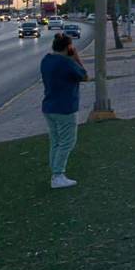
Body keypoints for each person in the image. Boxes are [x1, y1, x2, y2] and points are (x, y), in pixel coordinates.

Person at [40, 33, 88, 189]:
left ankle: (55, 172)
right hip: (65, 108)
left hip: (49, 106)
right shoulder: (66, 63)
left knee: (56, 141)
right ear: (68, 47)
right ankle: (58, 175)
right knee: (67, 142)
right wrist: (76, 57)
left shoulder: (46, 60)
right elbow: (84, 75)